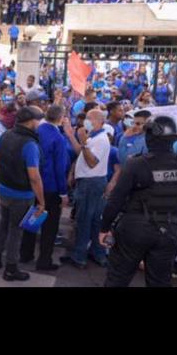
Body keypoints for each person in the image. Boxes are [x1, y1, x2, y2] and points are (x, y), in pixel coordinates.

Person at [99, 115, 177, 287]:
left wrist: (104, 228)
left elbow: (116, 200)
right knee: (159, 282)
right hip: (169, 230)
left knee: (117, 279)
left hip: (135, 229)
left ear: (150, 136)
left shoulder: (136, 164)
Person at [0, 105, 47, 281]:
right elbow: (34, 177)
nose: (40, 123)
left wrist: (2, 174)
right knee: (16, 232)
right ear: (31, 122)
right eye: (39, 119)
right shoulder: (30, 144)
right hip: (22, 195)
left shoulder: (6, 134)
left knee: (3, 225)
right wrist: (42, 201)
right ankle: (11, 269)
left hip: (4, 189)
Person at [19, 105, 72, 270]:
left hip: (32, 183)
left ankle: (25, 254)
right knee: (50, 227)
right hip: (50, 187)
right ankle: (44, 261)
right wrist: (63, 193)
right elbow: (59, 168)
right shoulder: (58, 138)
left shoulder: (37, 130)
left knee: (32, 219)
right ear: (61, 118)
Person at [61, 108, 111, 269]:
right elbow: (81, 153)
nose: (85, 122)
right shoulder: (93, 137)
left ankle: (79, 256)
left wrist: (83, 142)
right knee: (94, 221)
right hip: (90, 182)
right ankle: (96, 253)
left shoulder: (101, 139)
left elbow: (91, 162)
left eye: (89, 119)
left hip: (91, 183)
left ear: (97, 121)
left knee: (85, 220)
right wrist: (71, 136)